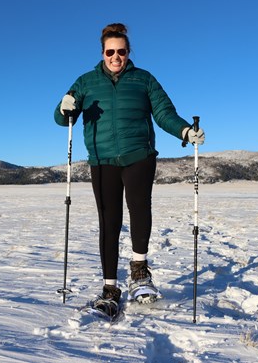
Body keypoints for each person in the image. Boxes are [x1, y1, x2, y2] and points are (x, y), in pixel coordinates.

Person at [53, 23, 204, 310]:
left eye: (121, 51)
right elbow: (63, 118)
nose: (116, 56)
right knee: (108, 222)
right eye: (110, 51)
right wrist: (64, 107)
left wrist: (185, 131)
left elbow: (163, 113)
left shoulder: (144, 79)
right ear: (102, 52)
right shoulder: (86, 82)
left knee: (139, 209)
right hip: (102, 159)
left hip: (139, 156)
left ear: (128, 52)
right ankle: (110, 287)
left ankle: (139, 272)